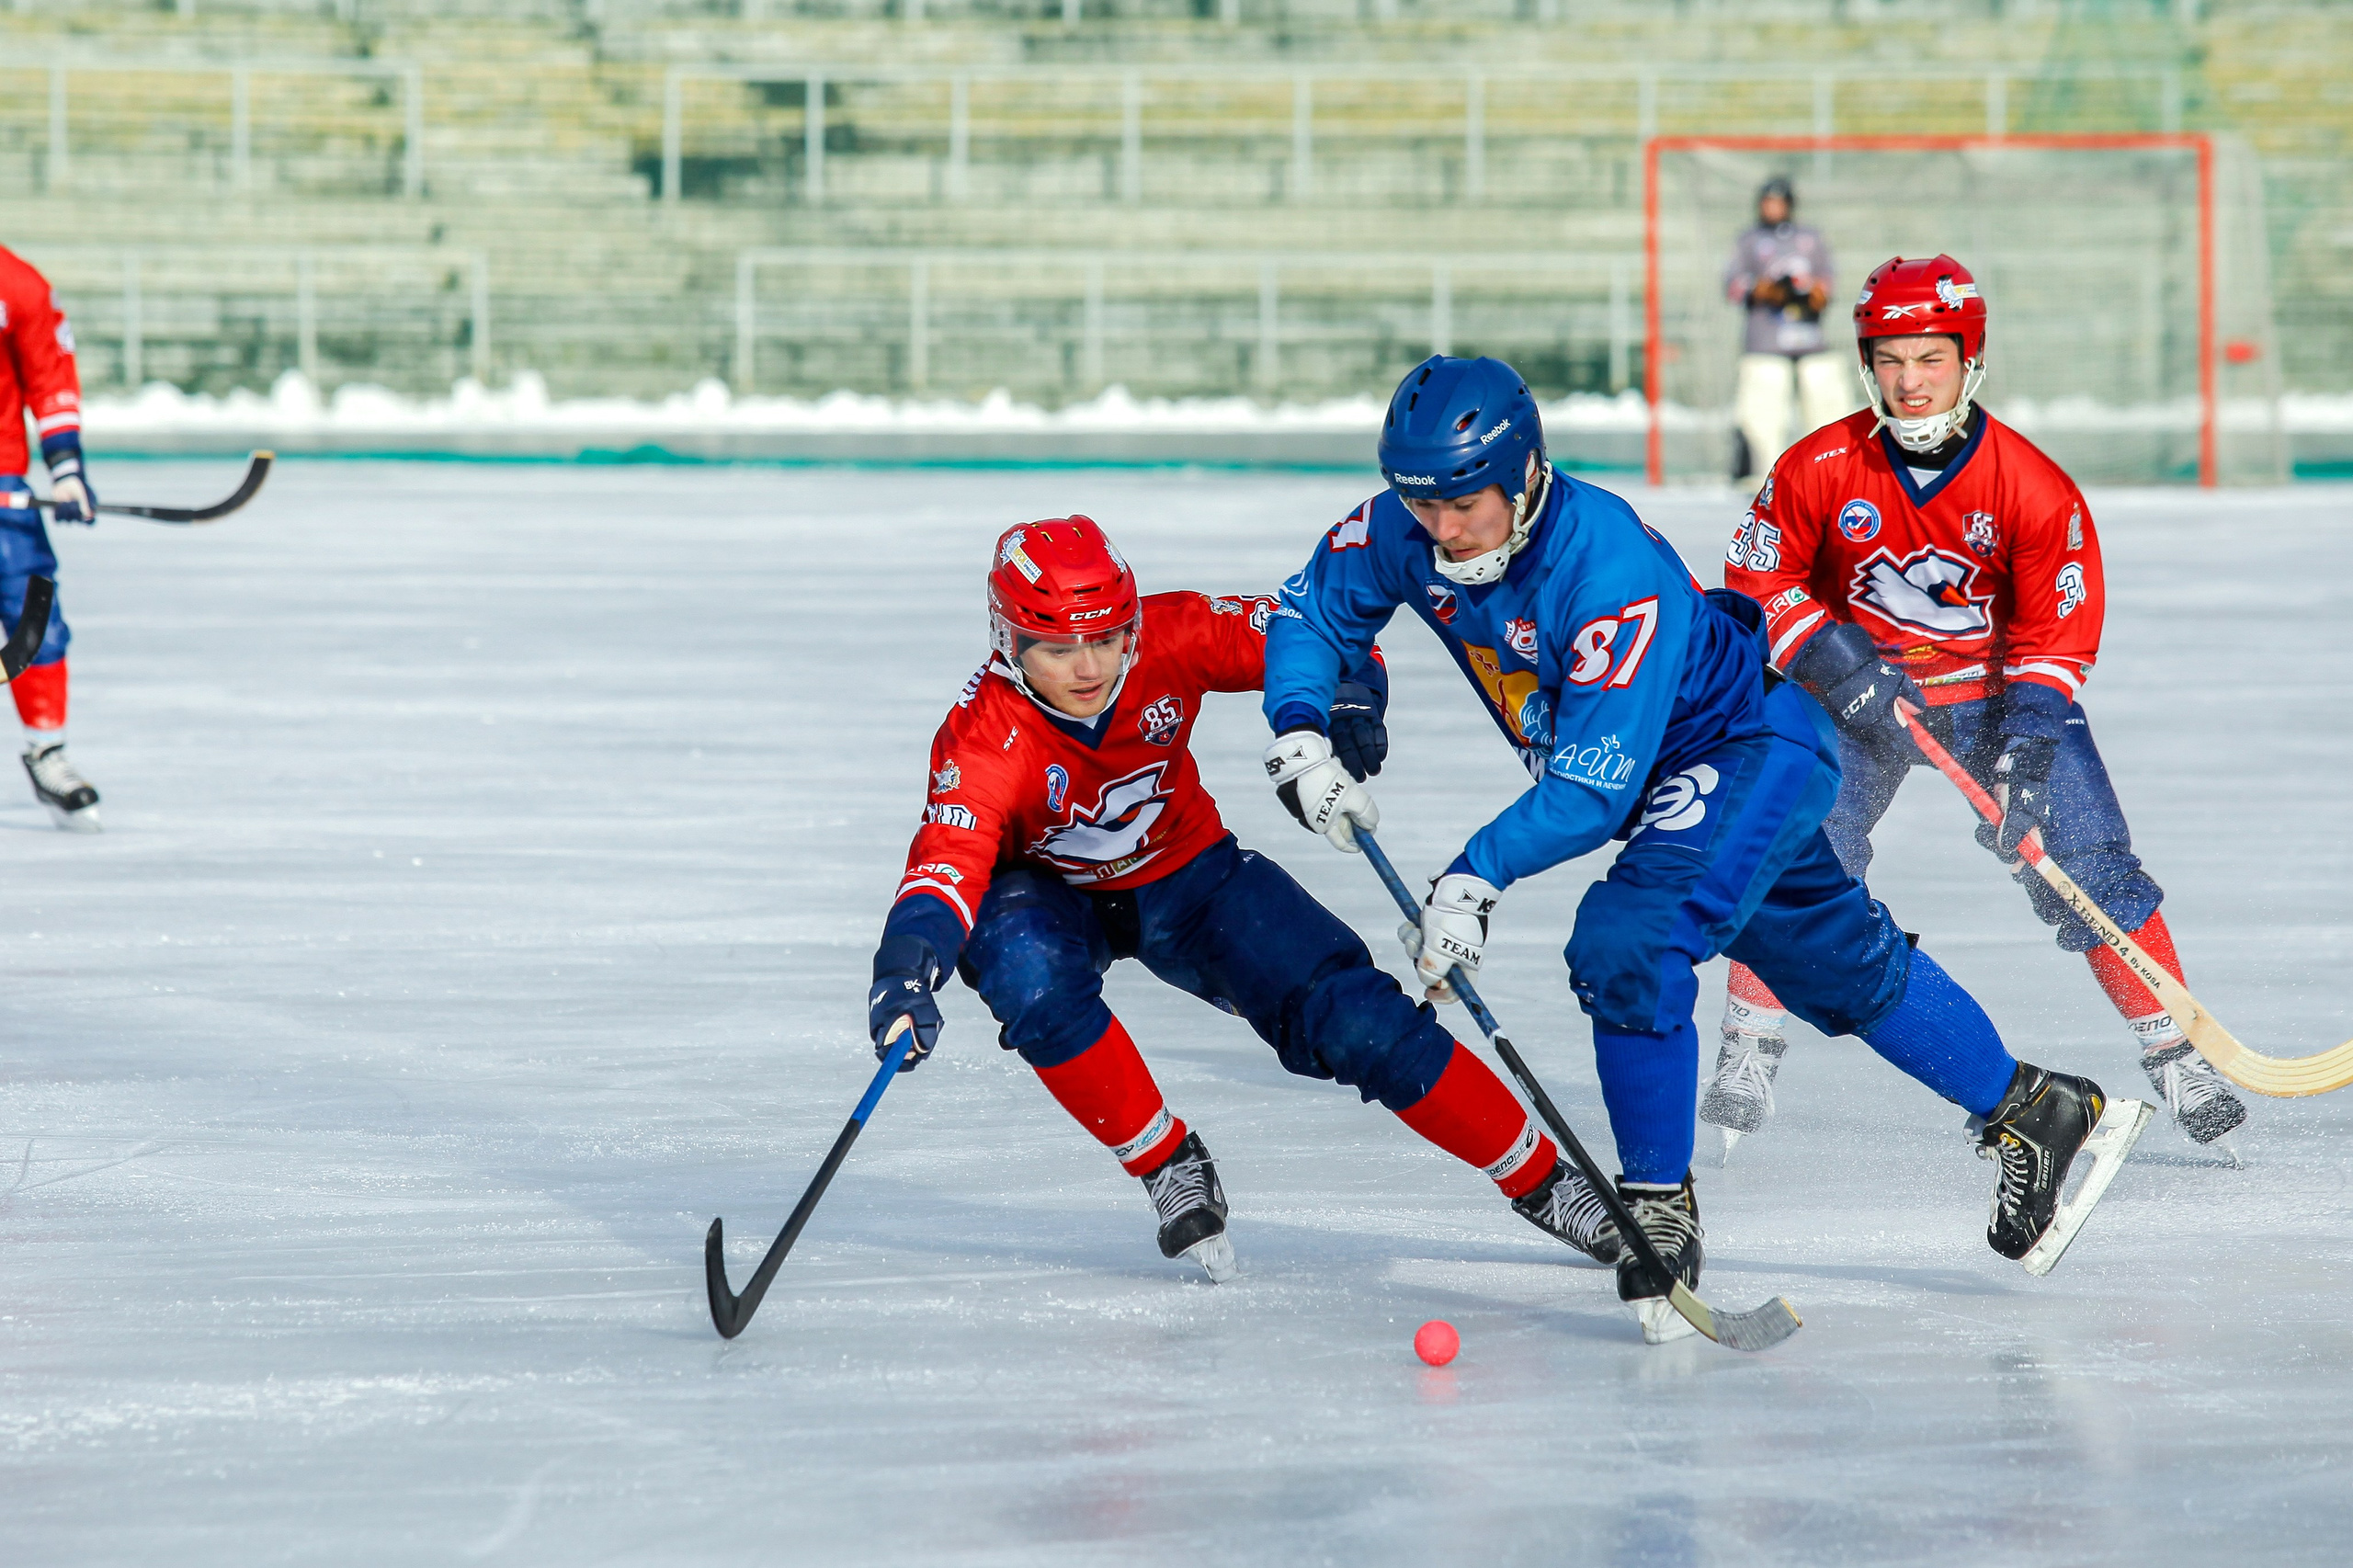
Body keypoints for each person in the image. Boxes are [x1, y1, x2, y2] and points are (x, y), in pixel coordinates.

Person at [1261, 355, 2146, 1344]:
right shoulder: (1410, 525)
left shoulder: (1600, 565)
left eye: (1462, 504)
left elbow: (1593, 785)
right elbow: (1311, 609)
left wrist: (1473, 874)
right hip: (1675, 777)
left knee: (1628, 939)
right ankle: (2033, 1106)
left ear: (1523, 475)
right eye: (1418, 503)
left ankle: (1655, 1200)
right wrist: (1302, 725)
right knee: (1834, 961)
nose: (1438, 529)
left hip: (1742, 749)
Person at [864, 515, 1626, 1284]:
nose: (1091, 666)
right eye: (1059, 649)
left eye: (1107, 637)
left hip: (1187, 875)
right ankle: (1167, 1164)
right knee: (1020, 968)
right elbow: (945, 864)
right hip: (1047, 896)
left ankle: (1544, 1181)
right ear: (1010, 644)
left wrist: (1350, 695)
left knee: (1358, 1018)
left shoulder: (1171, 632)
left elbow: (1321, 626)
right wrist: (906, 965)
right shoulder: (982, 738)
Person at [1708, 254, 2246, 1160]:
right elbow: (1759, 578)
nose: (1909, 381)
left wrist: (2029, 745)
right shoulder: (1820, 465)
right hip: (1851, 694)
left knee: (2083, 861)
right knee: (1791, 854)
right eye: (1888, 359)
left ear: (1970, 361)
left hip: (1993, 694)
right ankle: (1747, 1042)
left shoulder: (2029, 484)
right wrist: (1837, 660)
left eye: (1930, 358)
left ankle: (2176, 1050)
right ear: (1864, 362)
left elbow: (2056, 629)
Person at [0, 244, 100, 831]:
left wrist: (66, 470)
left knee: (34, 611)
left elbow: (49, 375)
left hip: (3, 481)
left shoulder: (19, 285)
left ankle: (48, 749)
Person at [1722, 176, 1849, 487]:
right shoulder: (1748, 240)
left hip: (1810, 342)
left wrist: (1814, 293)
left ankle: (1827, 475)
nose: (1773, 209)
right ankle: (1767, 476)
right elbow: (1732, 286)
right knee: (1763, 414)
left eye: (1778, 202)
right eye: (1768, 202)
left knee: (1826, 407)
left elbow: (1828, 282)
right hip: (1766, 343)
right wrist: (1762, 290)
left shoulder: (1810, 238)